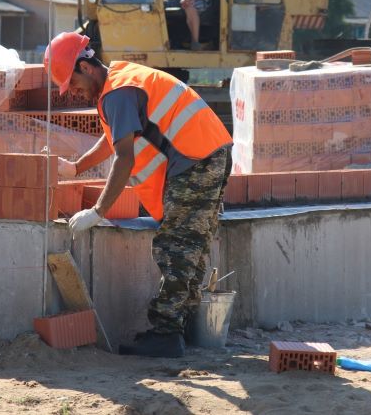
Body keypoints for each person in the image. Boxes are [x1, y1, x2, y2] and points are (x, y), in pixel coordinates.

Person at [44, 31, 232, 358]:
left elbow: (124, 156)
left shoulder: (116, 93)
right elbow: (116, 138)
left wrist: (99, 210)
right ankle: (179, 327)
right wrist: (76, 168)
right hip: (210, 151)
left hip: (195, 158)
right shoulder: (119, 79)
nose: (73, 92)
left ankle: (166, 334)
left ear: (86, 67)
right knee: (193, 246)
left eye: (72, 83)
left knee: (176, 246)